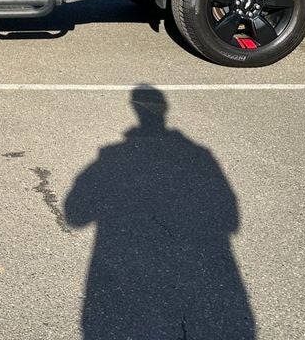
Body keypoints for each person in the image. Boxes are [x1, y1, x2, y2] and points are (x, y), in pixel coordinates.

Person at [65, 85, 255, 339]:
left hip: (122, 284)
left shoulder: (110, 156)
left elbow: (75, 215)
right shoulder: (201, 156)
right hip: (207, 277)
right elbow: (231, 221)